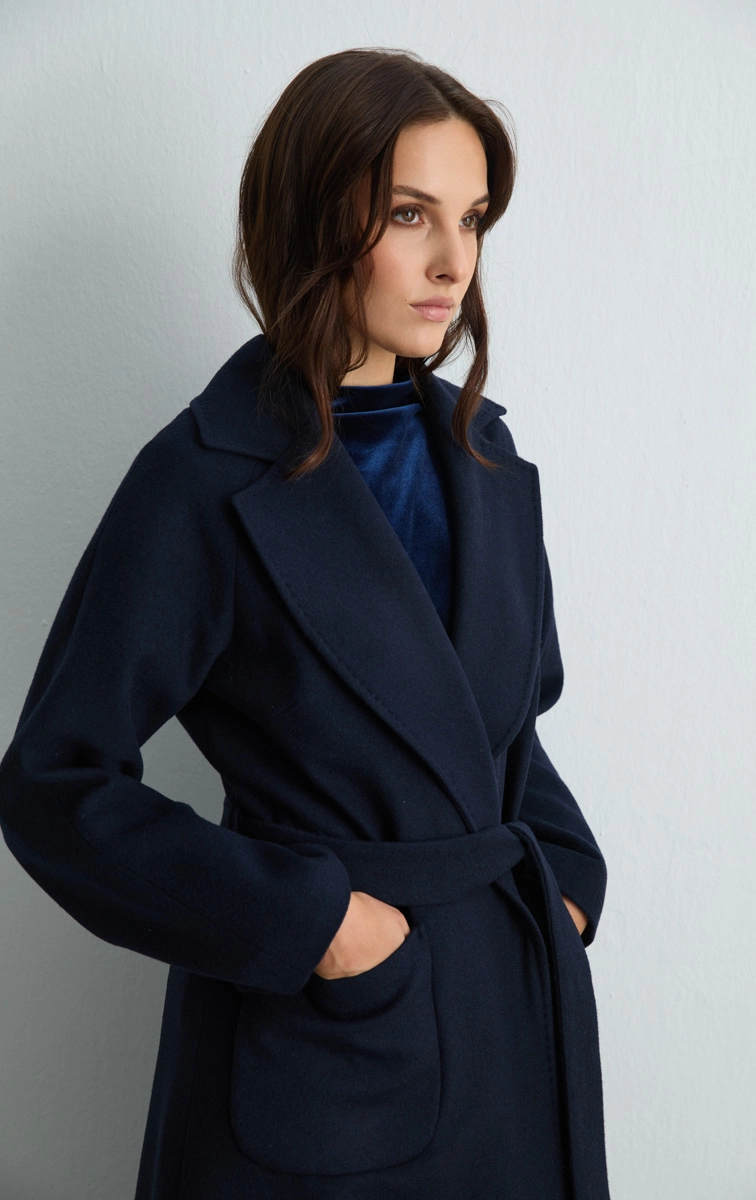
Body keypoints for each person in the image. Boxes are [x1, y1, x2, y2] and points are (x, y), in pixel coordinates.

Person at [0, 47, 609, 1200]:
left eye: (472, 217)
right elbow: (53, 782)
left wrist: (568, 878)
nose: (452, 261)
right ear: (314, 215)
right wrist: (321, 927)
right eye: (408, 214)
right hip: (327, 1051)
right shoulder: (203, 478)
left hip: (511, 1014)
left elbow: (499, 732)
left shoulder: (486, 457)